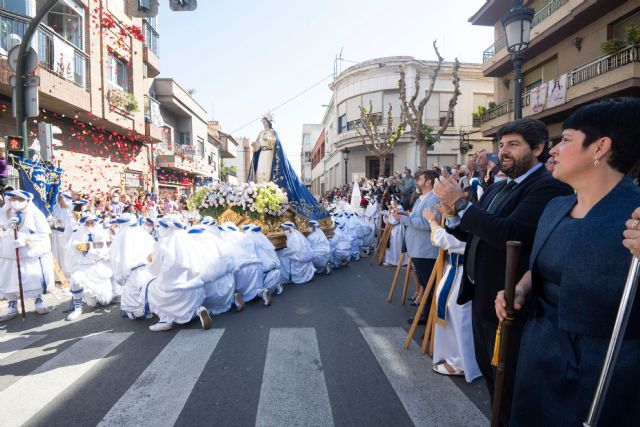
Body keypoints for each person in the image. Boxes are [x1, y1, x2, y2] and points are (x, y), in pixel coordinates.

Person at [496, 98, 640, 426]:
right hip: (538, 357)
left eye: (566, 139)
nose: (553, 151)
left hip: (605, 372)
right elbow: (544, 267)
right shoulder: (556, 207)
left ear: (600, 147)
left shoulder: (636, 214)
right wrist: (520, 288)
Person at [434, 118, 573, 424]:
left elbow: (511, 232)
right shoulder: (498, 186)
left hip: (509, 302)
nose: (503, 152)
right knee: (491, 378)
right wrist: (454, 217)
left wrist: (460, 205)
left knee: (508, 388)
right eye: (501, 145)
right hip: (482, 296)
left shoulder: (547, 186)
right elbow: (479, 229)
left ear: (538, 149)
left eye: (513, 145)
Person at [423, 206, 481, 383]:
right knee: (452, 315)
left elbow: (446, 239)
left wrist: (432, 221)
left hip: (463, 274)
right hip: (455, 270)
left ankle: (462, 363)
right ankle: (451, 356)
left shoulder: (470, 222)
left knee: (459, 317)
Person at [146, 215, 212, 332]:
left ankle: (165, 320)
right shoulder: (188, 240)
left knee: (150, 287)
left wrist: (151, 260)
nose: (158, 229)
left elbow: (154, 269)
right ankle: (197, 310)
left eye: (159, 226)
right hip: (196, 290)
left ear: (167, 228)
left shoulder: (162, 244)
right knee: (185, 299)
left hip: (174, 291)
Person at [394, 170, 441, 323]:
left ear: (428, 182)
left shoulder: (433, 199)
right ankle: (426, 314)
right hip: (417, 248)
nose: (417, 180)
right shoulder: (422, 198)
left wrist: (404, 220)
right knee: (424, 283)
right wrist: (405, 216)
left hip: (426, 249)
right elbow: (417, 218)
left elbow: (429, 224)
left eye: (420, 178)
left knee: (429, 286)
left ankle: (428, 317)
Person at [0, 190, 53, 320]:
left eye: (20, 199)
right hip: (9, 254)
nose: (16, 202)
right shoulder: (4, 213)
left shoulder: (35, 214)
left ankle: (38, 301)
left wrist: (26, 240)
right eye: (14, 199)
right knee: (10, 279)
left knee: (33, 278)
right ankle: (12, 305)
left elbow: (43, 236)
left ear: (28, 201)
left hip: (29, 253)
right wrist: (5, 227)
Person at [65, 213, 116, 321]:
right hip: (82, 267)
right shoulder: (77, 234)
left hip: (98, 267)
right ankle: (78, 308)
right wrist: (78, 248)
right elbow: (71, 249)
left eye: (92, 222)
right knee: (75, 280)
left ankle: (95, 297)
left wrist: (90, 250)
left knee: (104, 301)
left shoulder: (102, 234)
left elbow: (105, 248)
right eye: (87, 223)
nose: (89, 225)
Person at [110, 213, 156, 320]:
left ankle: (143, 310)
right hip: (150, 273)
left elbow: (120, 263)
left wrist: (121, 280)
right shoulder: (144, 234)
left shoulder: (121, 239)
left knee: (132, 308)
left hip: (134, 275)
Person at [242, 224, 283, 300]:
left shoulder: (251, 239)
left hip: (263, 265)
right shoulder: (261, 239)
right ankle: (272, 287)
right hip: (269, 265)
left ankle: (264, 291)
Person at [251, 113, 277, 183]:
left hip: (269, 153)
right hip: (262, 153)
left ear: (268, 122)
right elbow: (258, 144)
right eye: (263, 122)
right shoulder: (261, 133)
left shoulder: (272, 132)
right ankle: (259, 185)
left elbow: (276, 142)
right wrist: (255, 145)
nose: (263, 124)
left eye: (264, 122)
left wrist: (268, 140)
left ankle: (267, 185)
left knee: (267, 169)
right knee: (260, 169)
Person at [383, 196, 406, 267]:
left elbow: (394, 220)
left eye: (393, 200)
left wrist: (388, 215)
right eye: (391, 200)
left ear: (396, 201)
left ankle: (397, 261)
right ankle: (392, 260)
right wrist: (387, 215)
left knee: (396, 245)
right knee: (393, 244)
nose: (391, 201)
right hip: (394, 229)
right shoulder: (394, 208)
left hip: (398, 228)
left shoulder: (399, 208)